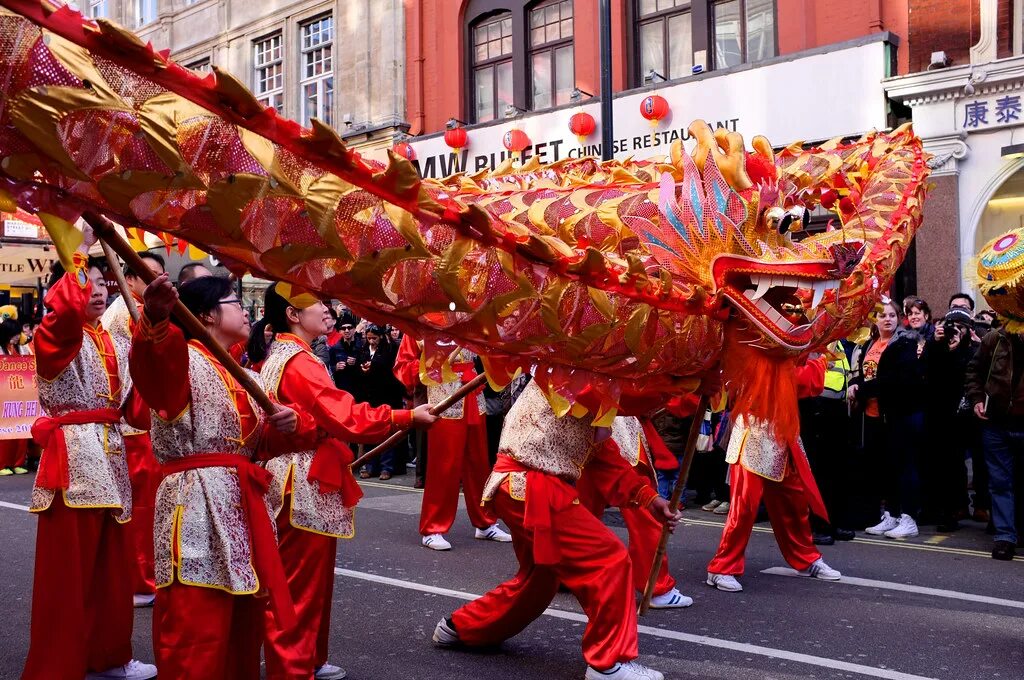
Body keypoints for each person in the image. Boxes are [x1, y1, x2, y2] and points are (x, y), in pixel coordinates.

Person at [248, 283, 438, 680]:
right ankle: (292, 669)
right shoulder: (297, 362)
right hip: (301, 481)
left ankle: (310, 660)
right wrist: (404, 418)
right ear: (292, 315)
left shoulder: (291, 356)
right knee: (298, 587)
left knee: (312, 582)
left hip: (305, 476)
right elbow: (342, 415)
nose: (326, 308)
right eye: (316, 303)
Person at [432, 379, 679, 680]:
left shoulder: (588, 384)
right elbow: (631, 398)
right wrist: (680, 385)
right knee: (609, 559)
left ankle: (461, 627)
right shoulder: (573, 375)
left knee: (540, 579)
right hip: (533, 486)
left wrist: (649, 498)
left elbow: (602, 457)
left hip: (522, 488)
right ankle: (607, 663)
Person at [129, 273, 305, 678]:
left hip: (243, 505)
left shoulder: (246, 375)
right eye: (233, 301)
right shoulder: (182, 359)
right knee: (197, 624)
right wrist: (155, 319)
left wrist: (289, 424)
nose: (245, 310)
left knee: (243, 624)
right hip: (195, 503)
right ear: (207, 314)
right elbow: (154, 366)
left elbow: (259, 442)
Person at [23, 226, 157, 680]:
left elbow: (139, 407)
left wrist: (151, 349)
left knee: (111, 569)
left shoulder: (117, 341)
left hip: (113, 455)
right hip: (73, 459)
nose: (98, 291)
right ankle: (58, 666)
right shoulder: (56, 338)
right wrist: (77, 249)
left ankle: (109, 655)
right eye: (90, 284)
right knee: (68, 573)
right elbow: (63, 315)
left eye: (103, 284)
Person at [706, 355, 841, 593]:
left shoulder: (783, 349)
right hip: (753, 433)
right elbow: (799, 381)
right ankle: (721, 568)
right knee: (744, 508)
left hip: (782, 431)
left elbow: (800, 383)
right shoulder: (754, 348)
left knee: (794, 503)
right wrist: (819, 363)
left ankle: (806, 557)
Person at [394, 334, 512, 550]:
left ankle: (485, 522)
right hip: (443, 398)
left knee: (479, 464)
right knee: (444, 465)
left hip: (472, 393)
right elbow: (402, 366)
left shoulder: (467, 319)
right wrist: (430, 366)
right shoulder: (418, 326)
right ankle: (433, 527)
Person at [101, 250, 165, 608]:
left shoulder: (137, 310)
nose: (156, 281)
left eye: (158, 274)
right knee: (141, 507)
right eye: (147, 274)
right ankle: (142, 578)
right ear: (130, 280)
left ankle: (144, 575)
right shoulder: (128, 312)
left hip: (140, 420)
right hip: (134, 422)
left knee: (145, 505)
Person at [577, 415, 692, 609]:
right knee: (643, 511)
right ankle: (656, 585)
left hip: (583, 428)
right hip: (616, 431)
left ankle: (569, 572)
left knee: (581, 509)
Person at [965, 319, 1023, 560]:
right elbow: (973, 371)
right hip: (996, 424)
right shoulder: (995, 338)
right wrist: (977, 397)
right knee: (1000, 483)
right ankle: (1005, 537)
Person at [924, 307, 980, 532]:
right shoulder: (936, 346)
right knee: (945, 465)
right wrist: (937, 345)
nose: (955, 331)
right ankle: (949, 512)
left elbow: (968, 375)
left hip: (965, 415)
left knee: (968, 465)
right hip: (940, 414)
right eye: (951, 326)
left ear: (968, 330)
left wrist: (956, 350)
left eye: (960, 327)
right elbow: (927, 370)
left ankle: (972, 507)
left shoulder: (973, 349)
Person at [799, 341, 856, 544]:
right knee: (819, 470)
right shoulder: (812, 337)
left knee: (838, 469)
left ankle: (836, 521)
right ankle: (819, 524)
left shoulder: (838, 341)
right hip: (815, 406)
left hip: (836, 409)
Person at [354, 325, 405, 480]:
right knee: (371, 433)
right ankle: (370, 466)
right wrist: (362, 367)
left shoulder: (389, 350)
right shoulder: (363, 349)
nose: (371, 341)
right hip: (369, 398)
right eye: (369, 338)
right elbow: (358, 365)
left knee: (386, 434)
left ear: (381, 337)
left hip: (386, 397)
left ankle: (386, 467)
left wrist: (373, 365)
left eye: (374, 338)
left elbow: (390, 369)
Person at [0, 305, 31, 476]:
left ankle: (17, 462)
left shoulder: (23, 349)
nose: (16, 337)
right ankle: (2, 463)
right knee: (4, 434)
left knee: (21, 432)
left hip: (21, 396)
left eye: (18, 333)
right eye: (13, 334)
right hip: (3, 398)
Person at [329, 311, 363, 397]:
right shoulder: (334, 348)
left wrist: (357, 363)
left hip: (360, 387)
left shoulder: (362, 346)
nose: (346, 330)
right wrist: (335, 367)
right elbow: (328, 368)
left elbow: (367, 364)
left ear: (354, 329)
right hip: (342, 388)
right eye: (343, 328)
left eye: (349, 328)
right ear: (340, 331)